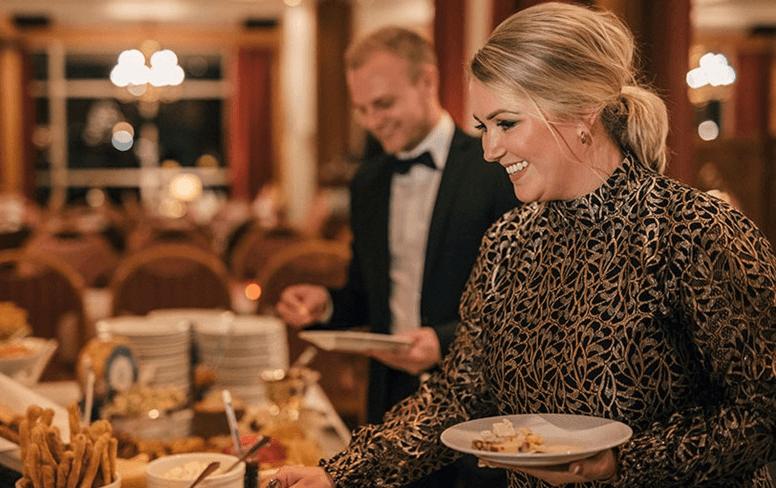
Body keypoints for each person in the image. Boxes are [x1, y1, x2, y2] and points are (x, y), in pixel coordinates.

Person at [263, 3, 776, 487]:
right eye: (483, 128)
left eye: (506, 123)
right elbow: (457, 395)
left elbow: (763, 411)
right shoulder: (510, 242)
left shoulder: (697, 232)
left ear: (582, 112)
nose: (489, 150)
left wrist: (624, 462)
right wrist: (340, 473)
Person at [276, 25, 519, 487]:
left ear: (427, 81)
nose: (372, 121)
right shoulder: (368, 182)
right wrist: (325, 304)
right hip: (391, 402)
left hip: (480, 406)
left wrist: (444, 340)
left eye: (383, 104)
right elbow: (365, 295)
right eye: (362, 109)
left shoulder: (494, 167)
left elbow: (519, 301)